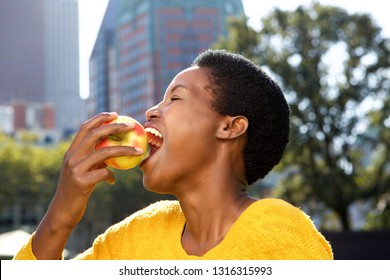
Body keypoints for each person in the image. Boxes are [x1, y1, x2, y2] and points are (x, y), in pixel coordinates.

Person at [14, 49, 333, 260]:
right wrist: (62, 213)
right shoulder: (136, 236)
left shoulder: (277, 230)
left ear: (230, 127)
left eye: (175, 99)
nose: (151, 110)